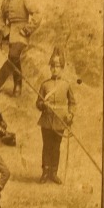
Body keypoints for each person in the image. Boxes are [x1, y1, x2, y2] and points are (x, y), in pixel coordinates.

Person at [36, 47, 77, 184]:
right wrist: (43, 105)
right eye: (52, 67)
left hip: (60, 120)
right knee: (46, 146)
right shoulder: (45, 85)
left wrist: (70, 114)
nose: (55, 69)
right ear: (50, 68)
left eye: (58, 67)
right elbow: (38, 103)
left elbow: (72, 103)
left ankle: (54, 173)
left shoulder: (66, 85)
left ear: (62, 68)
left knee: (56, 147)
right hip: (47, 120)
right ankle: (45, 172)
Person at [0, 0, 40, 97]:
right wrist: (2, 31)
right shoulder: (5, 2)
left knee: (13, 56)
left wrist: (27, 29)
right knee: (11, 56)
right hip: (9, 33)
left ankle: (16, 84)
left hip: (21, 33)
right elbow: (1, 18)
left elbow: (37, 14)